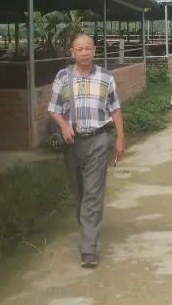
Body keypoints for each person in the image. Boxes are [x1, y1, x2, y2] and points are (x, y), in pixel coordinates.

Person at [48, 34, 125, 268]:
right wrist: (63, 126)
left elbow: (115, 108)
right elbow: (53, 109)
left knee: (93, 192)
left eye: (88, 49)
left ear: (94, 51)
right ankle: (87, 226)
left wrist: (121, 137)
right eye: (79, 49)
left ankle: (88, 249)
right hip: (72, 143)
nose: (84, 53)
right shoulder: (63, 77)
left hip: (98, 139)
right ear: (72, 52)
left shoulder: (105, 76)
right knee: (79, 192)